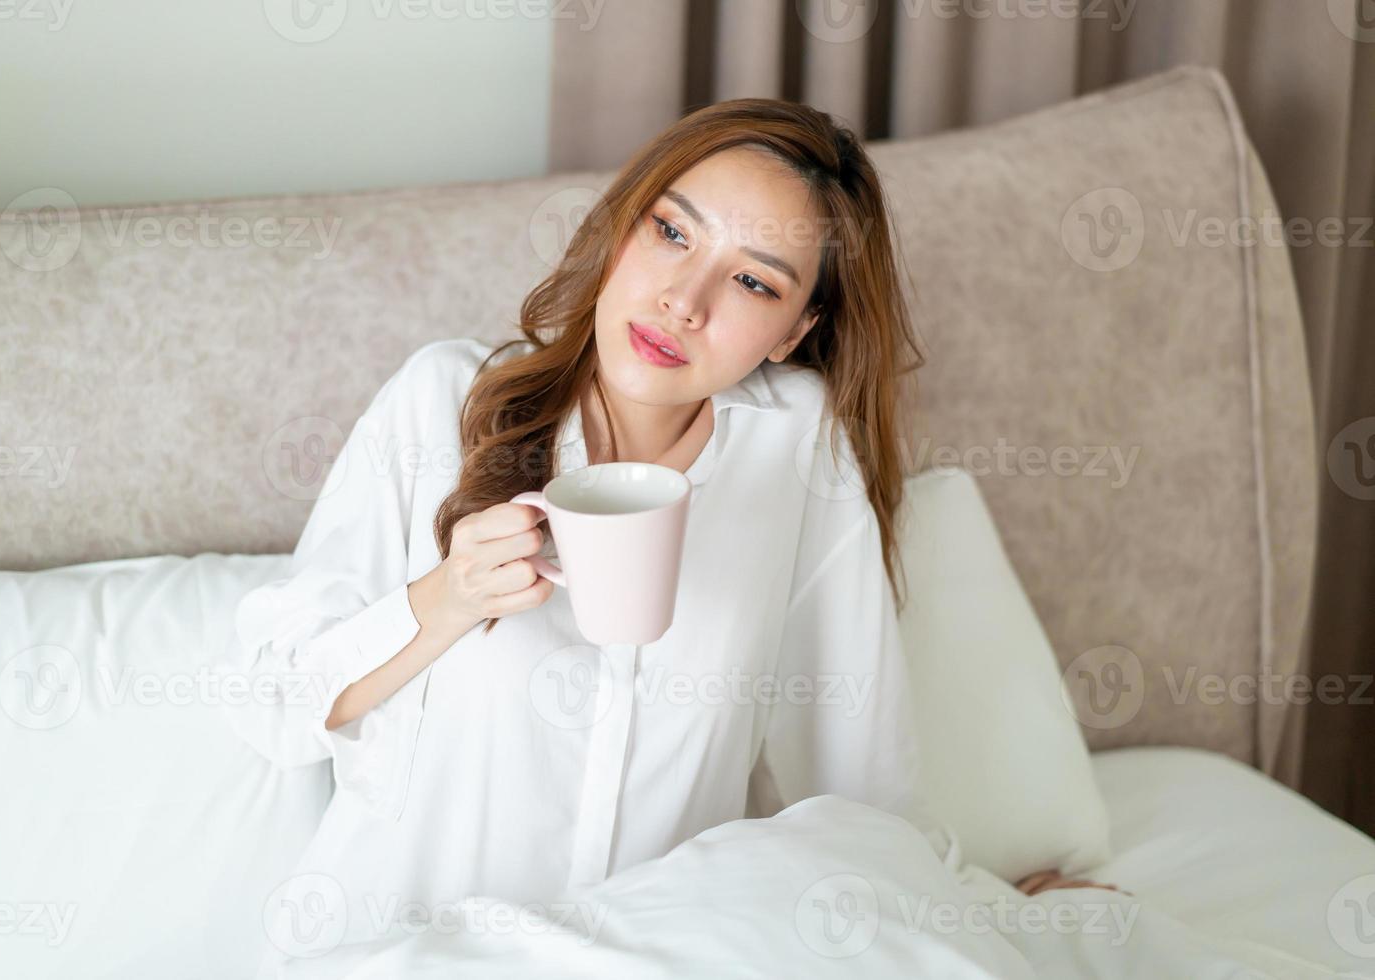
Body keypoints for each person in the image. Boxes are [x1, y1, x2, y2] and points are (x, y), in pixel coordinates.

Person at [219, 98, 1119, 970]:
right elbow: (270, 703)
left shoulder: (795, 448)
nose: (685, 301)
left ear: (795, 329)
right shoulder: (442, 405)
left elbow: (852, 777)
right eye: (673, 233)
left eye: (754, 280)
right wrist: (444, 602)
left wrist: (976, 913)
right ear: (621, 230)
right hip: (409, 950)